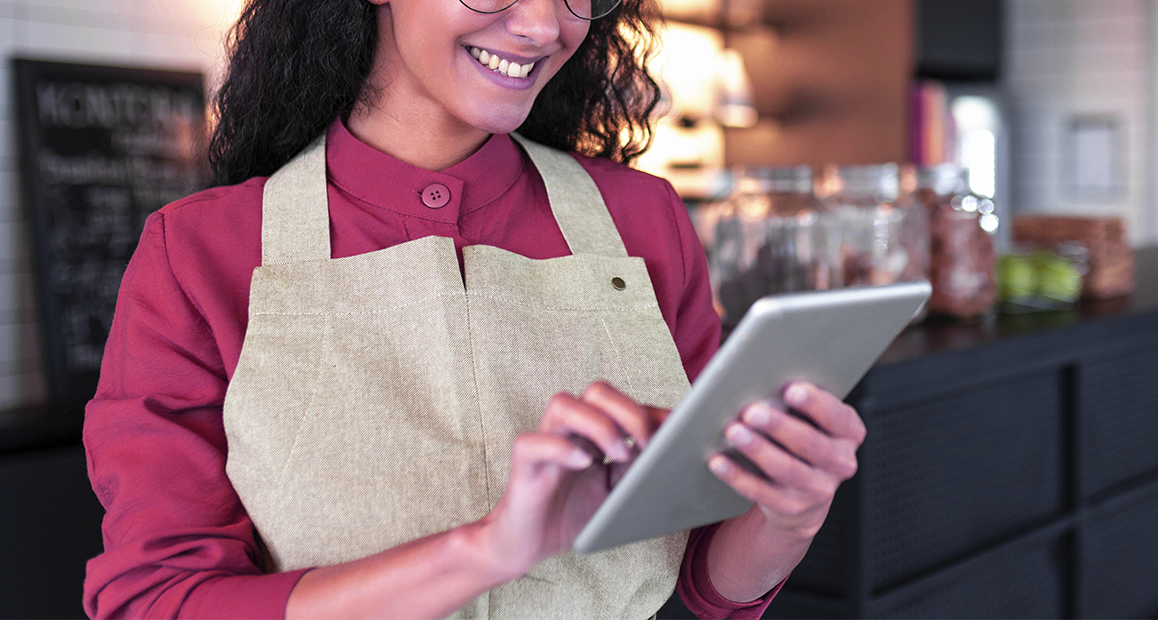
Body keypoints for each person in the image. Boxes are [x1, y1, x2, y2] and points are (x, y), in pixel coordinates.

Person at [82, 0, 867, 616]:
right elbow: (159, 600)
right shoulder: (200, 252)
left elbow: (702, 573)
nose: (540, 25)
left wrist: (789, 512)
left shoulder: (645, 220)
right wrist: (486, 552)